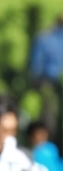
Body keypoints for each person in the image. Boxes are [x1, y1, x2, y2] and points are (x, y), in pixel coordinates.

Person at [29, 15, 63, 150]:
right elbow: (36, 67)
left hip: (51, 83)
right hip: (49, 83)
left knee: (50, 119)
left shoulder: (44, 38)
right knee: (49, 118)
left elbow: (35, 67)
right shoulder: (45, 38)